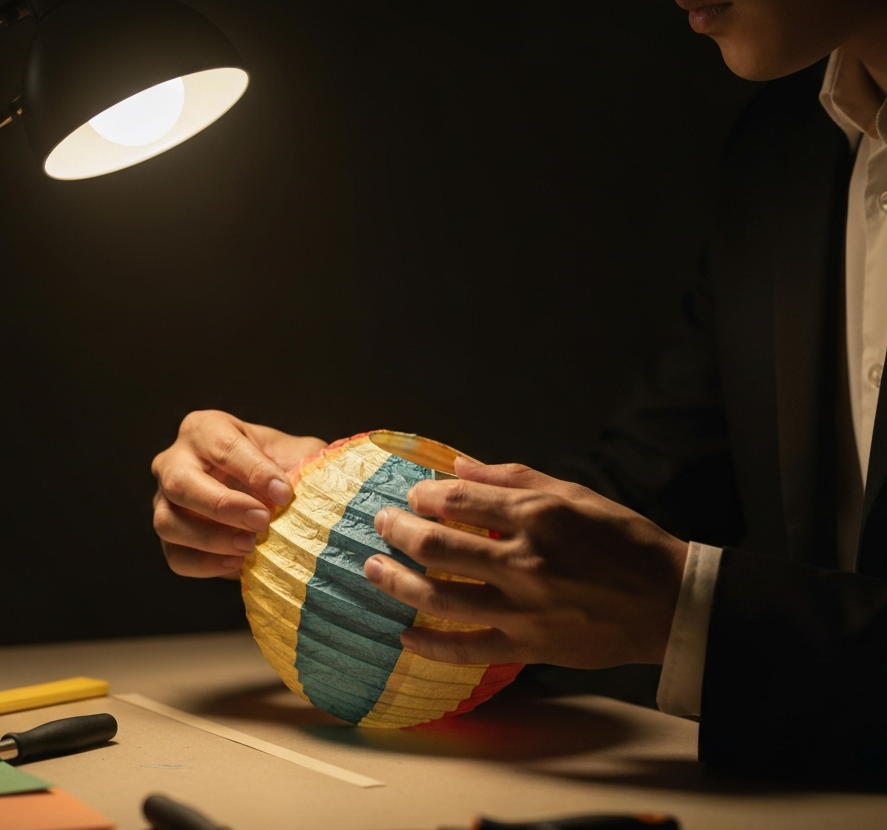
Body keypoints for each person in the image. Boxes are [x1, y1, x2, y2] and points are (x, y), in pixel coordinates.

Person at [150, 0, 887, 781]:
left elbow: (655, 582)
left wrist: (688, 610)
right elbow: (651, 496)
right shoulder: (786, 153)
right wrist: (331, 505)